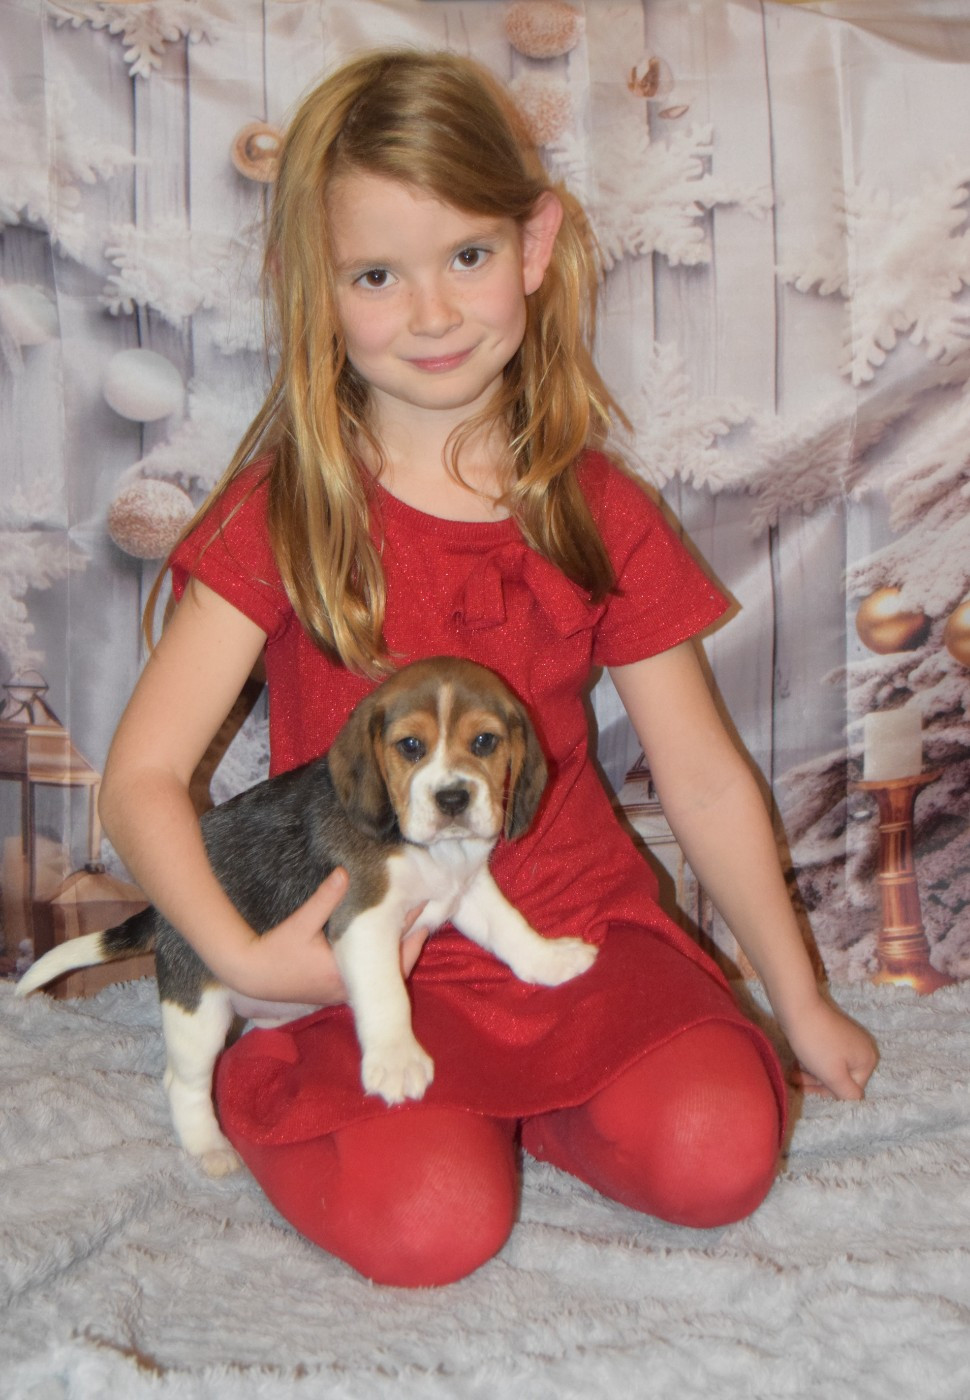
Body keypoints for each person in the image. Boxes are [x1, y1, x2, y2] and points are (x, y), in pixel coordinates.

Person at [99, 48, 878, 1288]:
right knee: (430, 1226)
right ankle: (302, 1092)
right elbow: (139, 778)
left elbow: (702, 777)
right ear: (313, 289)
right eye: (376, 274)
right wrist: (245, 963)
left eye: (466, 254)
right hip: (364, 953)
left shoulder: (595, 506)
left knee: (720, 1153)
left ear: (533, 246)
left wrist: (797, 997)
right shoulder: (284, 512)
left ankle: (537, 1101)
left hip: (568, 933)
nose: (432, 313)